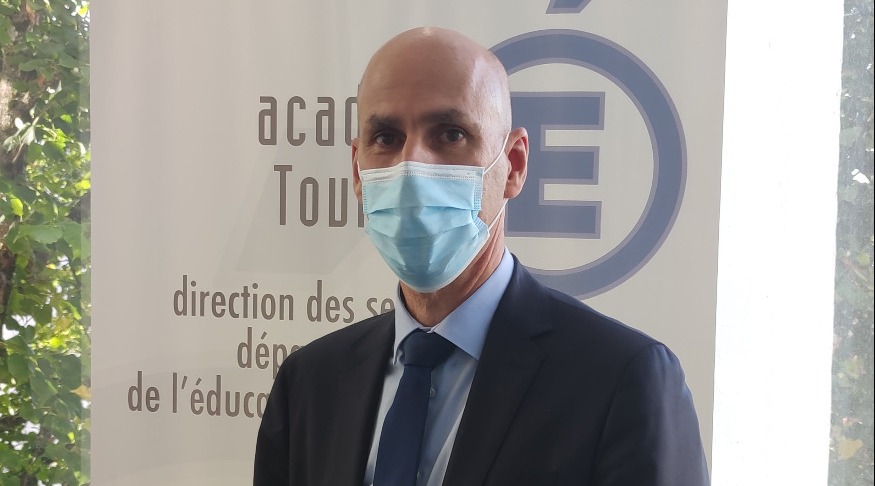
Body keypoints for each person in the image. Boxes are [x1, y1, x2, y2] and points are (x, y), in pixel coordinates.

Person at [254, 26, 710, 486]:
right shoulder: (310, 382)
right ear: (357, 171)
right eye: (387, 137)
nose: (412, 166)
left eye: (450, 134)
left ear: (514, 165)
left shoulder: (621, 380)